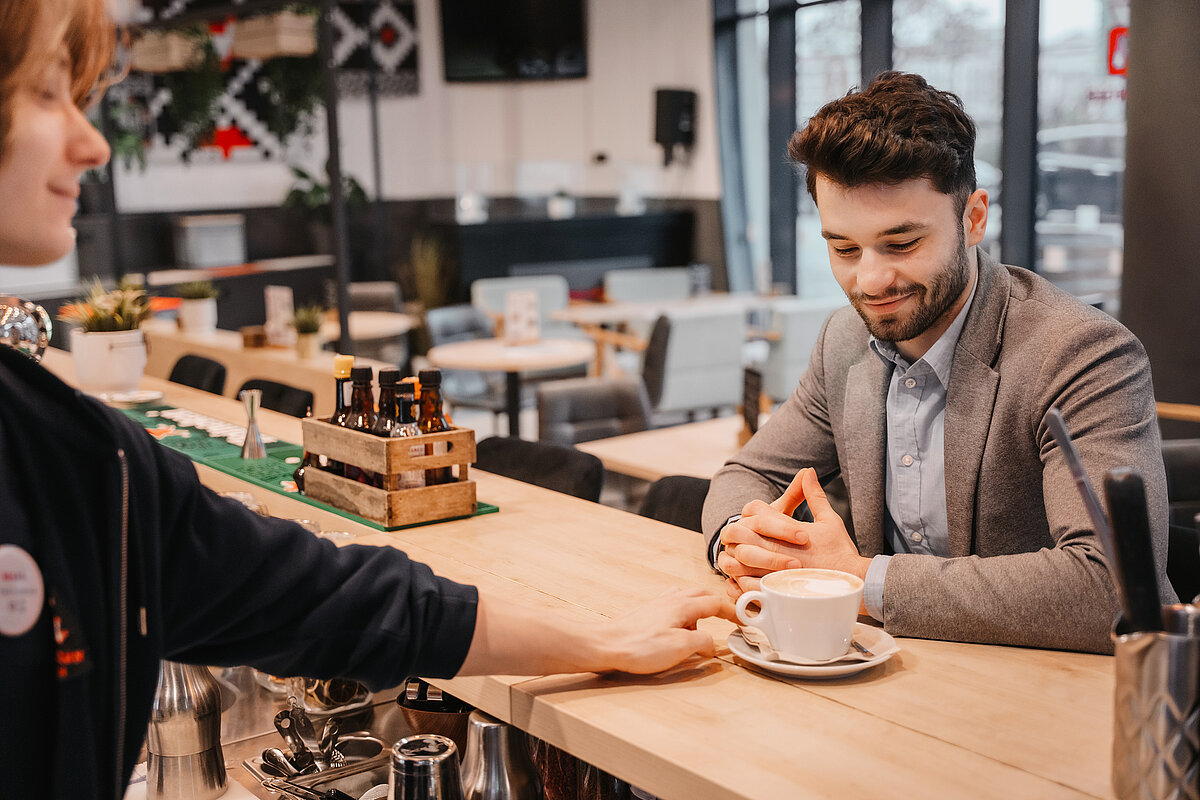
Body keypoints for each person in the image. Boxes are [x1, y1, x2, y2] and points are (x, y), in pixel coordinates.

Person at [0, 2, 732, 798]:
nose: (93, 141)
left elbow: (335, 599)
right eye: (47, 93)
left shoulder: (81, 460)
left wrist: (596, 638)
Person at [703, 71, 1173, 655]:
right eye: (843, 248)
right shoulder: (845, 341)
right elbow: (744, 477)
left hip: (1039, 694)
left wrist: (860, 576)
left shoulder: (1082, 354)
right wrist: (741, 539)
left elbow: (1115, 586)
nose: (870, 280)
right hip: (890, 675)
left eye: (901, 244)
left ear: (974, 218)